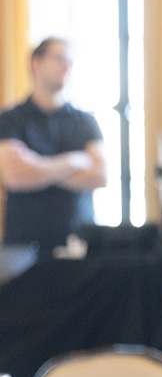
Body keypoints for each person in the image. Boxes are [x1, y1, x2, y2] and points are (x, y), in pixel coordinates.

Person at [0, 38, 107, 252]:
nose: (67, 66)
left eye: (70, 61)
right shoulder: (10, 119)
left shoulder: (85, 121)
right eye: (59, 59)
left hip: (78, 242)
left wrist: (36, 166)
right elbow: (15, 177)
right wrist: (74, 161)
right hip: (23, 245)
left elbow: (100, 176)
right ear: (35, 64)